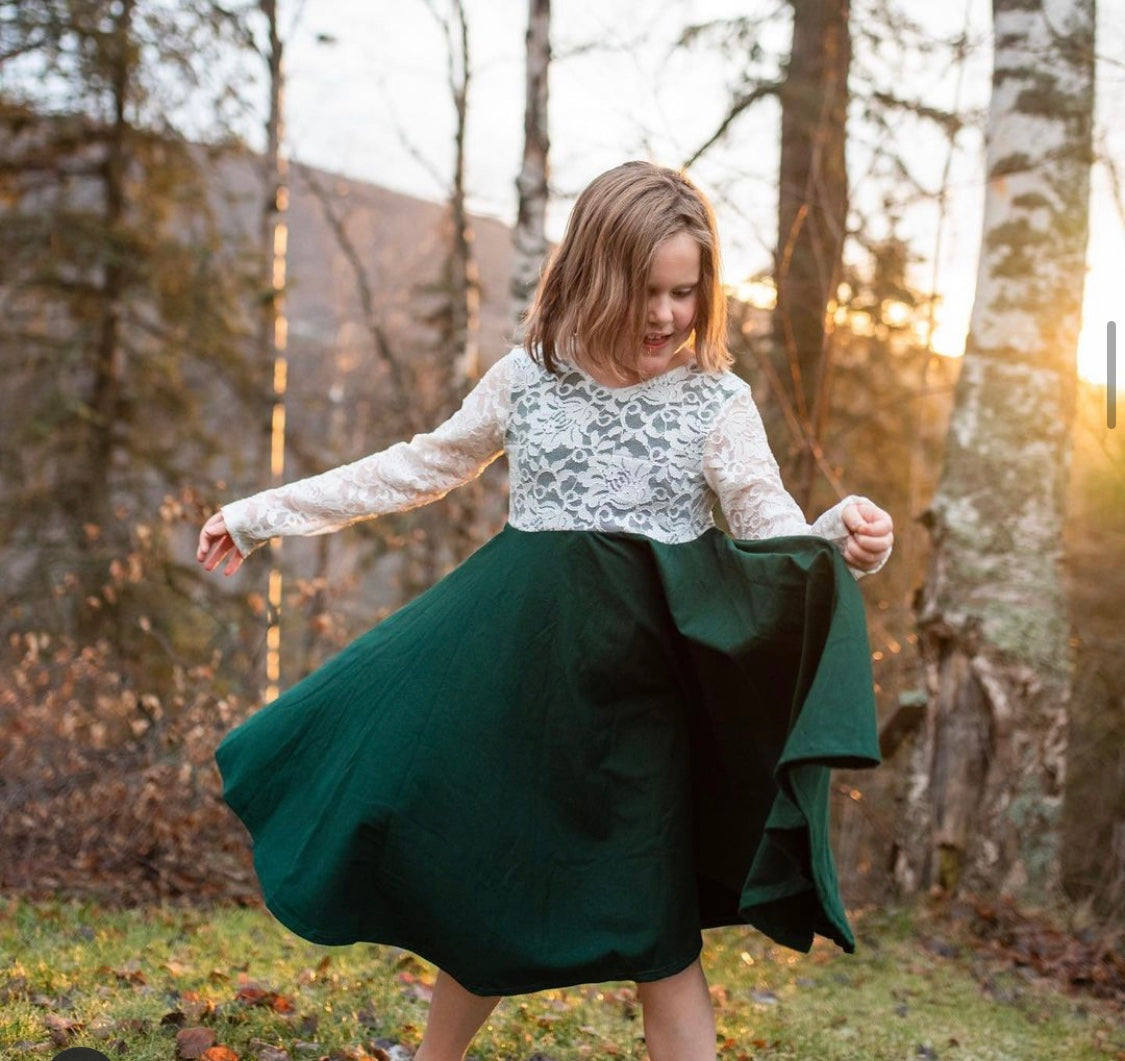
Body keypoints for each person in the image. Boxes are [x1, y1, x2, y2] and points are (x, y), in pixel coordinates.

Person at [197, 161, 894, 1061]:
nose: (666, 315)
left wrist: (841, 536)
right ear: (594, 275)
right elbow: (421, 465)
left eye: (686, 292)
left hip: (642, 708)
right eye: (646, 290)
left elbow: (771, 529)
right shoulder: (529, 381)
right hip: (517, 684)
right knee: (485, 897)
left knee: (658, 933)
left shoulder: (714, 403)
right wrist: (260, 514)